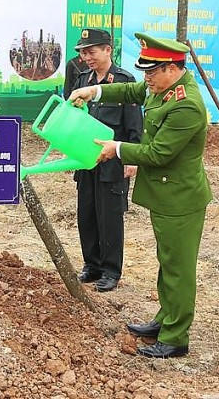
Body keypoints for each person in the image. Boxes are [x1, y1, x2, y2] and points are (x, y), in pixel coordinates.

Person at [69, 32, 212, 359]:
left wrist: (116, 148)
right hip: (167, 197)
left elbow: (158, 153)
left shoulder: (186, 105)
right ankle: (165, 319)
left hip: (180, 199)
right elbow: (130, 90)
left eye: (152, 72)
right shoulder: (162, 87)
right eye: (145, 72)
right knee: (168, 263)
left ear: (172, 69)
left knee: (179, 269)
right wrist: (94, 90)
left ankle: (175, 337)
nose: (146, 79)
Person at [71, 29, 142, 292]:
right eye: (83, 53)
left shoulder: (123, 81)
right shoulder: (82, 80)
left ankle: (111, 270)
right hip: (85, 157)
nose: (86, 57)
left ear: (108, 50)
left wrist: (132, 157)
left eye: (91, 52)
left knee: (109, 216)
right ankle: (92, 264)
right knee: (87, 213)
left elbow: (134, 122)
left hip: (113, 159)